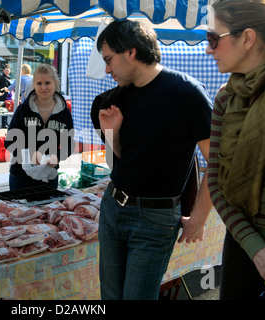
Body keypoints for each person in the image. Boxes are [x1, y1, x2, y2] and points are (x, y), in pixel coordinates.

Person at [90, 20, 214, 300]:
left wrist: (199, 217)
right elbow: (124, 159)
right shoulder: (116, 98)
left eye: (109, 60)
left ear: (131, 52)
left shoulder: (187, 93)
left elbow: (219, 162)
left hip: (155, 219)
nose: (107, 69)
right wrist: (112, 135)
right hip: (112, 208)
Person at [205, 0, 265, 299]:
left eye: (213, 38)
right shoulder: (226, 100)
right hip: (245, 252)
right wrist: (257, 249)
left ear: (247, 38)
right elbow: (216, 183)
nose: (207, 49)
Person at [4, 64, 74, 191]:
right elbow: (9, 140)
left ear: (55, 83)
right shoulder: (23, 110)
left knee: (48, 210)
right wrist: (28, 155)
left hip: (48, 177)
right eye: (39, 83)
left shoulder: (64, 113)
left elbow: (68, 144)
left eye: (47, 83)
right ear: (34, 85)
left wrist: (57, 156)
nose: (43, 87)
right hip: (20, 176)